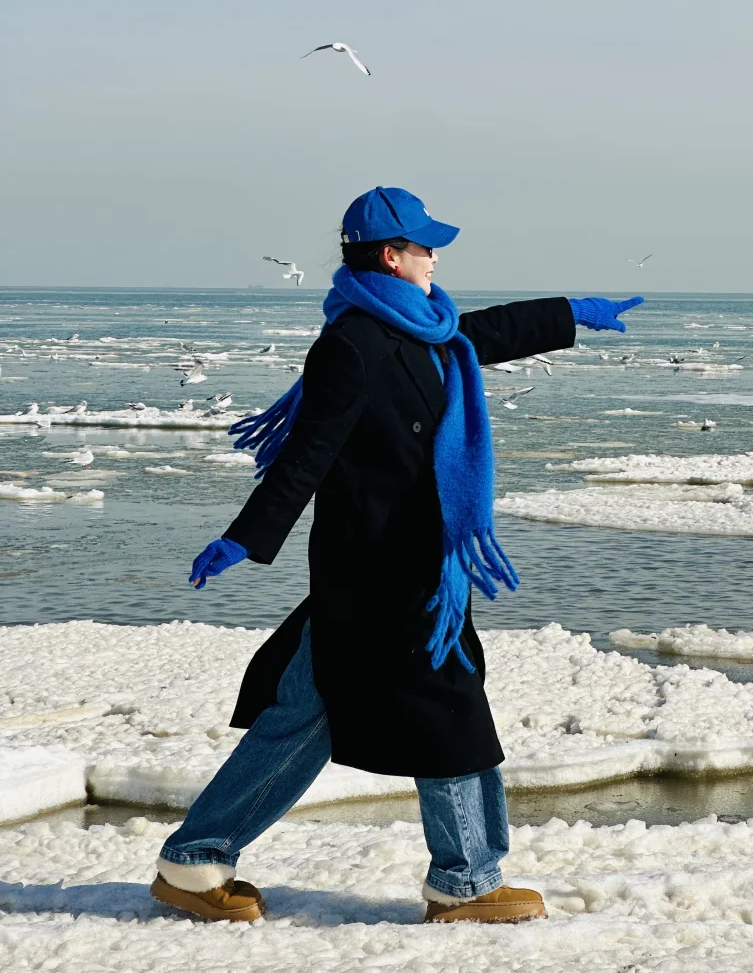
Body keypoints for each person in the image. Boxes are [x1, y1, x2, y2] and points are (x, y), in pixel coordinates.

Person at [150, 186, 642, 926]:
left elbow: (478, 332)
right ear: (391, 254)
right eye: (424, 246)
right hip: (385, 573)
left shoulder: (420, 328)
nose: (435, 256)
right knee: (447, 714)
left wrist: (567, 311)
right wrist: (247, 538)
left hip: (409, 569)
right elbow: (308, 455)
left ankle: (194, 862)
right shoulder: (351, 345)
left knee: (303, 716)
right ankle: (466, 880)